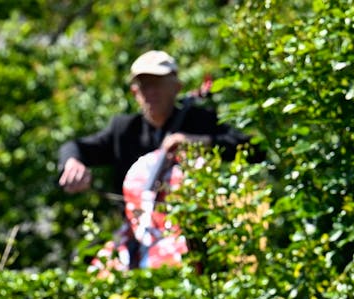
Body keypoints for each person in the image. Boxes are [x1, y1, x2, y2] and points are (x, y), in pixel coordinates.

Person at [57, 50, 253, 268]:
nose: (151, 92)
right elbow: (75, 147)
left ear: (176, 87)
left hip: (192, 235)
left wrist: (197, 141)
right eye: (144, 86)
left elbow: (252, 147)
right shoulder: (124, 130)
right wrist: (73, 163)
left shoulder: (199, 120)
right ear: (135, 93)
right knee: (87, 262)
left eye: (157, 84)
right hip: (137, 236)